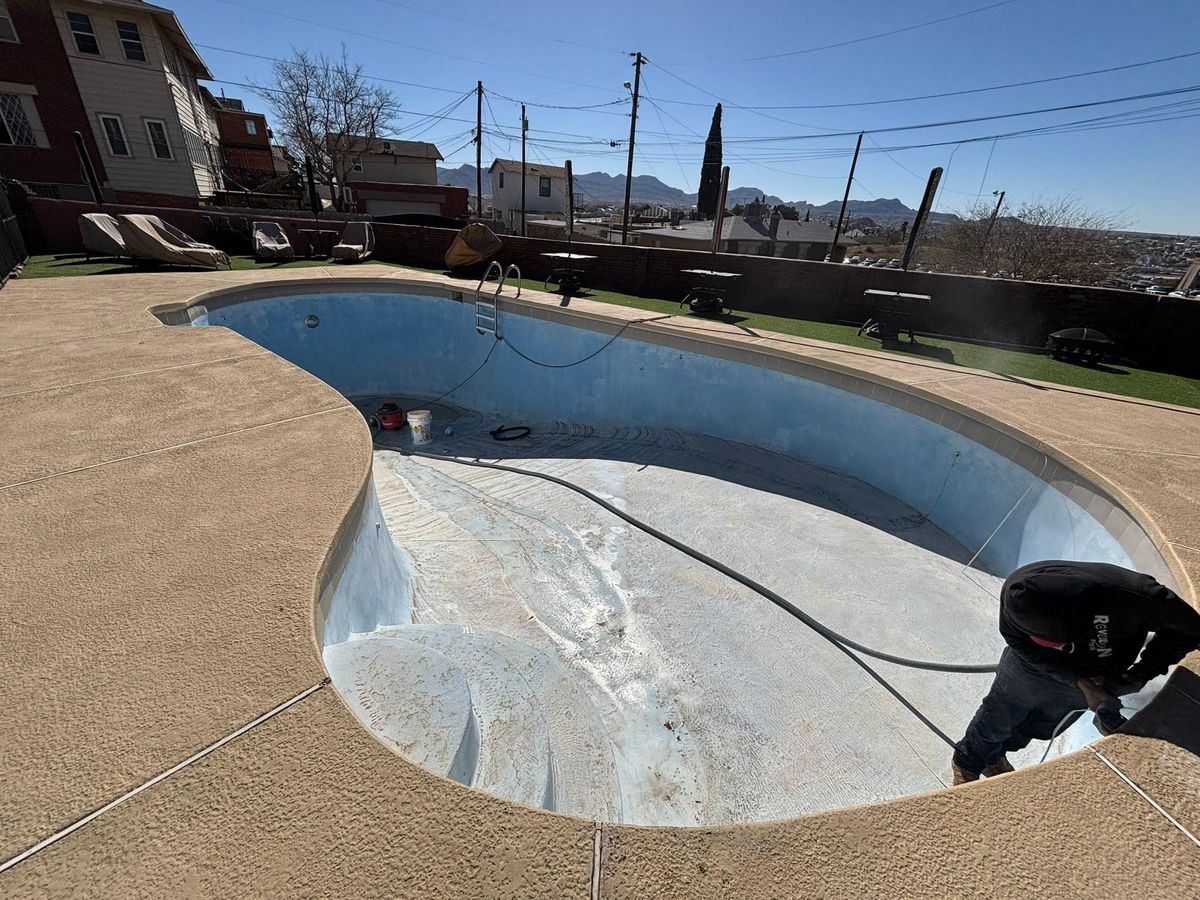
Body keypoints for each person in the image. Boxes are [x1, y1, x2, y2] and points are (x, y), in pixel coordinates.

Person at [952, 560, 1200, 785]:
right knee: (999, 714)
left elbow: (1189, 629)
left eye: (1063, 642)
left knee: (1044, 725)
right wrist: (1077, 679)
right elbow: (1020, 644)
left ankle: (997, 755)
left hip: (1099, 672)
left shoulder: (1133, 594)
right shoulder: (1016, 595)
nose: (1062, 649)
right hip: (1031, 668)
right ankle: (967, 763)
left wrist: (1140, 674)